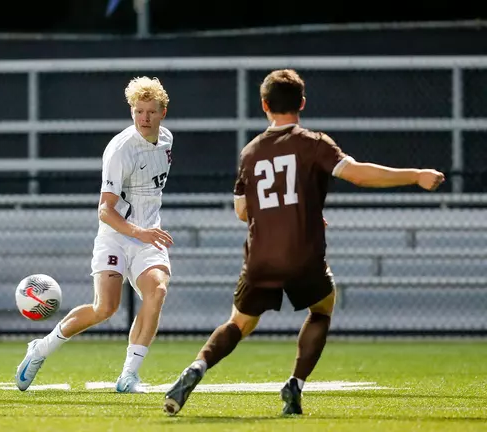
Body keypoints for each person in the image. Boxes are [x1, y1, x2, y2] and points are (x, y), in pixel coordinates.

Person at [163, 69, 445, 416]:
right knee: (322, 307)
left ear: (265, 105)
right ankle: (295, 384)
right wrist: (415, 175)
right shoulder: (314, 143)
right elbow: (357, 173)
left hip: (261, 257)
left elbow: (241, 211)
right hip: (302, 255)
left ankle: (197, 368)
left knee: (239, 323)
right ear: (303, 103)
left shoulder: (251, 152)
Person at [15, 76, 175, 393]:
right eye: (138, 110)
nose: (144, 118)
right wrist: (137, 232)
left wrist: (145, 232)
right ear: (131, 111)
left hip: (147, 236)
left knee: (157, 292)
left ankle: (129, 376)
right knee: (105, 308)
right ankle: (41, 349)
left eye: (150, 111)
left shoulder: (167, 139)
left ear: (162, 113)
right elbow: (104, 210)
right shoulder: (119, 150)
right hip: (117, 234)